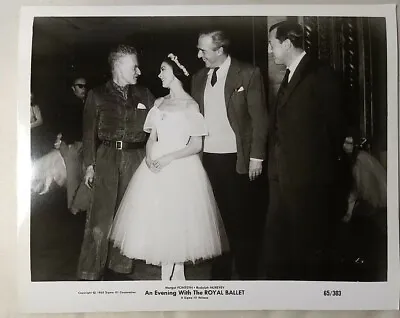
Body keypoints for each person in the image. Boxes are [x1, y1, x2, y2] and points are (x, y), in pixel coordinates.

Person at [109, 53, 227, 280]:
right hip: (155, 168)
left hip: (180, 167)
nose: (159, 74)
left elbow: (195, 144)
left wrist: (168, 158)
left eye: (163, 69)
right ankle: (167, 277)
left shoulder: (191, 105)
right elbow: (152, 136)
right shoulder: (159, 103)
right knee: (158, 221)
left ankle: (177, 276)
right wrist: (150, 156)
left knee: (178, 220)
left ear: (177, 71)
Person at [263, 21, 348, 281]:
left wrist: (317, 169)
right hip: (282, 177)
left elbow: (336, 128)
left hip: (308, 181)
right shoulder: (289, 74)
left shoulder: (320, 74)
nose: (270, 50)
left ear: (287, 44)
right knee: (283, 245)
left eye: (273, 44)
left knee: (309, 250)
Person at [191, 30, 268, 280]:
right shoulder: (198, 78)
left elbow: (260, 120)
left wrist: (257, 157)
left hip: (238, 159)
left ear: (220, 50)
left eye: (203, 50)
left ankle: (247, 277)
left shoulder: (248, 73)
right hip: (208, 160)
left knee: (242, 221)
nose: (199, 55)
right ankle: (220, 277)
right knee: (215, 220)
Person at [77, 44, 156, 281]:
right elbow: (88, 132)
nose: (139, 71)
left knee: (129, 216)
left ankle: (120, 267)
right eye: (134, 66)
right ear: (119, 66)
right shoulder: (97, 95)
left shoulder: (144, 94)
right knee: (100, 217)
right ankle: (90, 270)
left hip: (136, 158)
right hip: (107, 158)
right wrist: (89, 165)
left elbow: (164, 117)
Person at [54, 75, 88, 212]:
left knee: (80, 176)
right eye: (80, 86)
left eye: (85, 86)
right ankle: (73, 209)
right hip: (72, 145)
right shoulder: (69, 104)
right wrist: (66, 142)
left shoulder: (84, 103)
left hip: (80, 144)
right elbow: (64, 125)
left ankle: (77, 207)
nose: (83, 89)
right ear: (73, 88)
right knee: (73, 178)